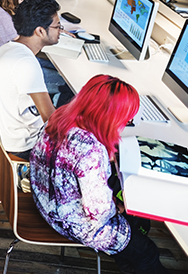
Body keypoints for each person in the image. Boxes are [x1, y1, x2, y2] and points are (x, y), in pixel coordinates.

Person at [31, 74, 170, 273]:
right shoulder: (91, 151)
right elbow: (99, 212)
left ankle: (124, 259)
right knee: (147, 253)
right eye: (125, 118)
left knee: (136, 227)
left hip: (45, 200)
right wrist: (119, 208)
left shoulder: (61, 117)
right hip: (71, 222)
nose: (125, 123)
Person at [0, 0, 61, 159]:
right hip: (26, 146)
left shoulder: (7, 49)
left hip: (10, 134)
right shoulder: (26, 64)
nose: (61, 31)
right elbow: (51, 120)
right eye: (58, 26)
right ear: (40, 31)